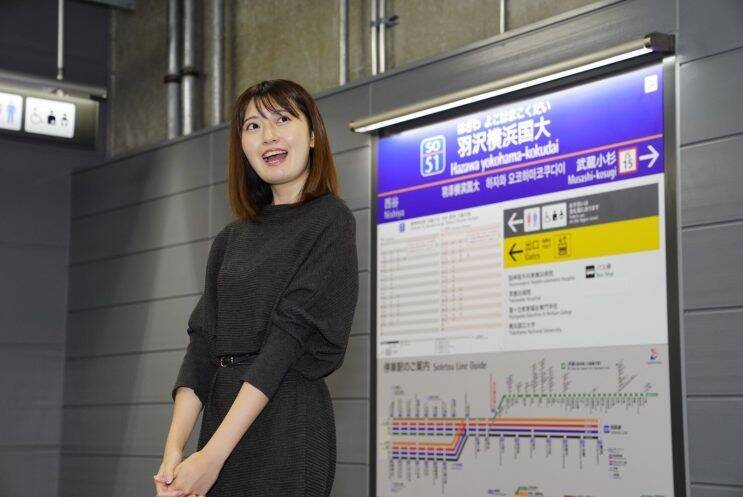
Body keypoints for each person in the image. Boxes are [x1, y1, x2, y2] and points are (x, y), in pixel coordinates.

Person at [153, 79, 359, 497]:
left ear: (313, 135)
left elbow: (287, 341)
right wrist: (174, 451)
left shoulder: (331, 220)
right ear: (242, 147)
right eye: (253, 126)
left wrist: (212, 457)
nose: (268, 135)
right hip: (222, 419)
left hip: (288, 420)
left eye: (282, 119)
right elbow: (202, 344)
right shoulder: (231, 239)